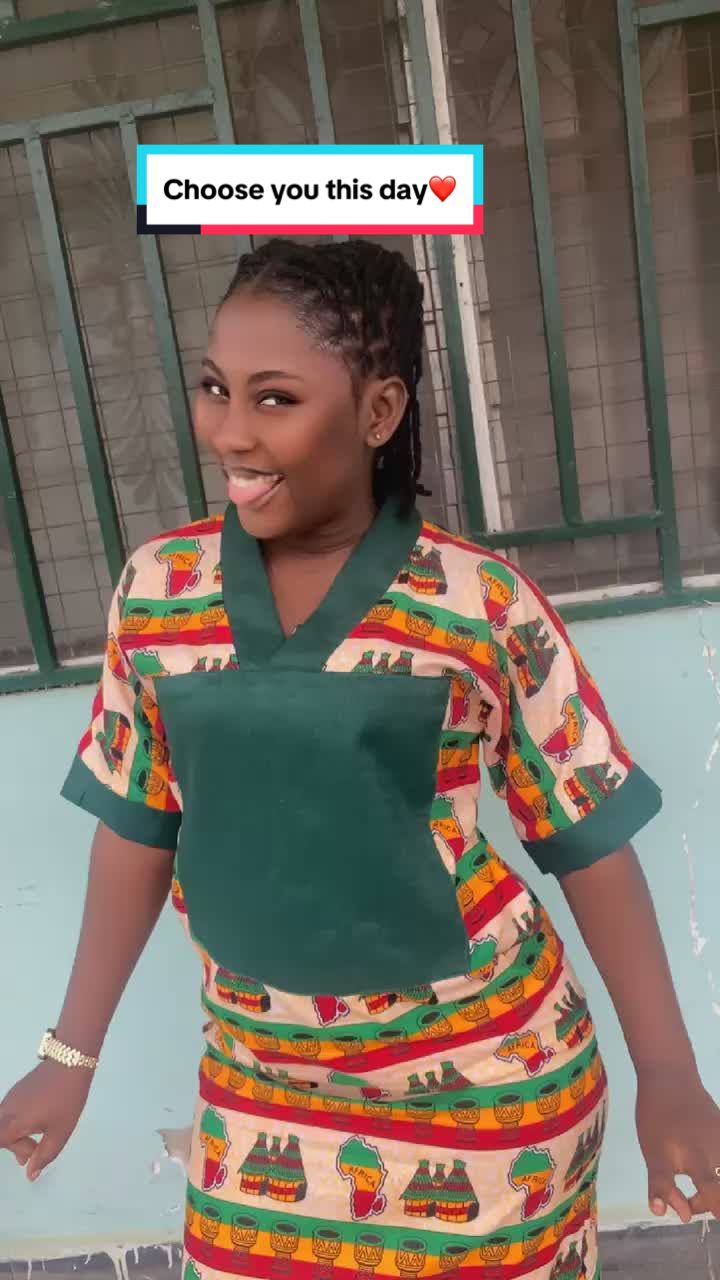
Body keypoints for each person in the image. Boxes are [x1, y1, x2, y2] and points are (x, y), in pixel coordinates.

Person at [1, 239, 718, 1279]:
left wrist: (670, 1073)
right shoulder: (158, 593)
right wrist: (68, 1056)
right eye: (215, 388)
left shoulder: (479, 603)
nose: (230, 431)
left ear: (378, 412)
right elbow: (138, 825)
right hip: (260, 1082)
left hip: (488, 1080)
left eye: (275, 398)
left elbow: (587, 838)